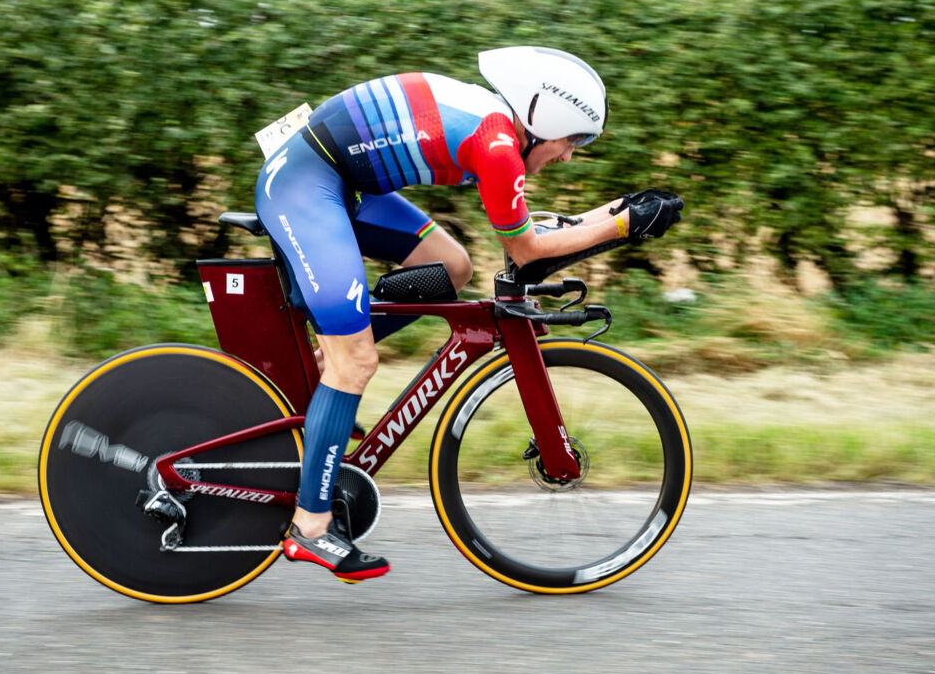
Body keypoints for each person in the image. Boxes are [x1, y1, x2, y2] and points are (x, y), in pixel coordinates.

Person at [254, 46, 683, 583]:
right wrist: (620, 228)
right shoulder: (499, 146)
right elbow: (528, 251)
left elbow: (538, 229)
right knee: (356, 363)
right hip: (306, 186)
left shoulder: (500, 129)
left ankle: (326, 360)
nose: (569, 155)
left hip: (339, 183)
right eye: (570, 140)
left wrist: (620, 212)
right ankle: (309, 529)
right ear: (543, 120)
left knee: (451, 267)